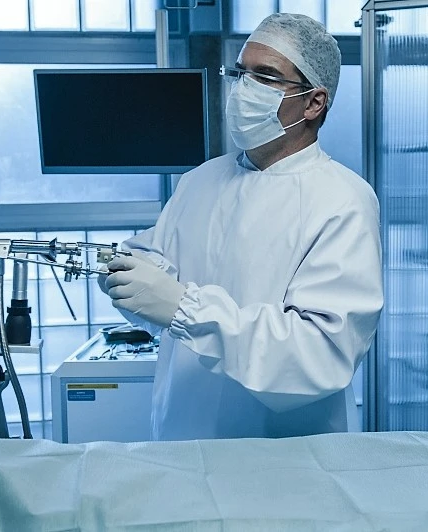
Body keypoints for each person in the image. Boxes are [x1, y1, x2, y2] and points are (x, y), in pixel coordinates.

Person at [100, 12, 383, 440]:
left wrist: (186, 310)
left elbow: (320, 355)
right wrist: (132, 276)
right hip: (182, 434)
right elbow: (160, 264)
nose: (243, 89)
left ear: (313, 102)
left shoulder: (343, 200)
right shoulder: (201, 180)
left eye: (265, 77)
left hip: (282, 455)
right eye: (240, 73)